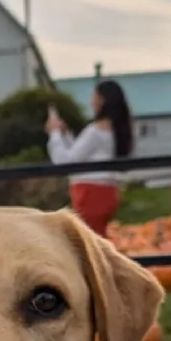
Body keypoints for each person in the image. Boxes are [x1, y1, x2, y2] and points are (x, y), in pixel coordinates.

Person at [47, 79, 132, 237]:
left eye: (94, 97)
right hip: (108, 192)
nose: (92, 102)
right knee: (97, 239)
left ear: (102, 100)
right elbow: (81, 155)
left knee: (87, 241)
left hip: (90, 194)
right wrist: (65, 135)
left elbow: (65, 161)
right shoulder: (117, 130)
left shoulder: (95, 131)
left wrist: (55, 133)